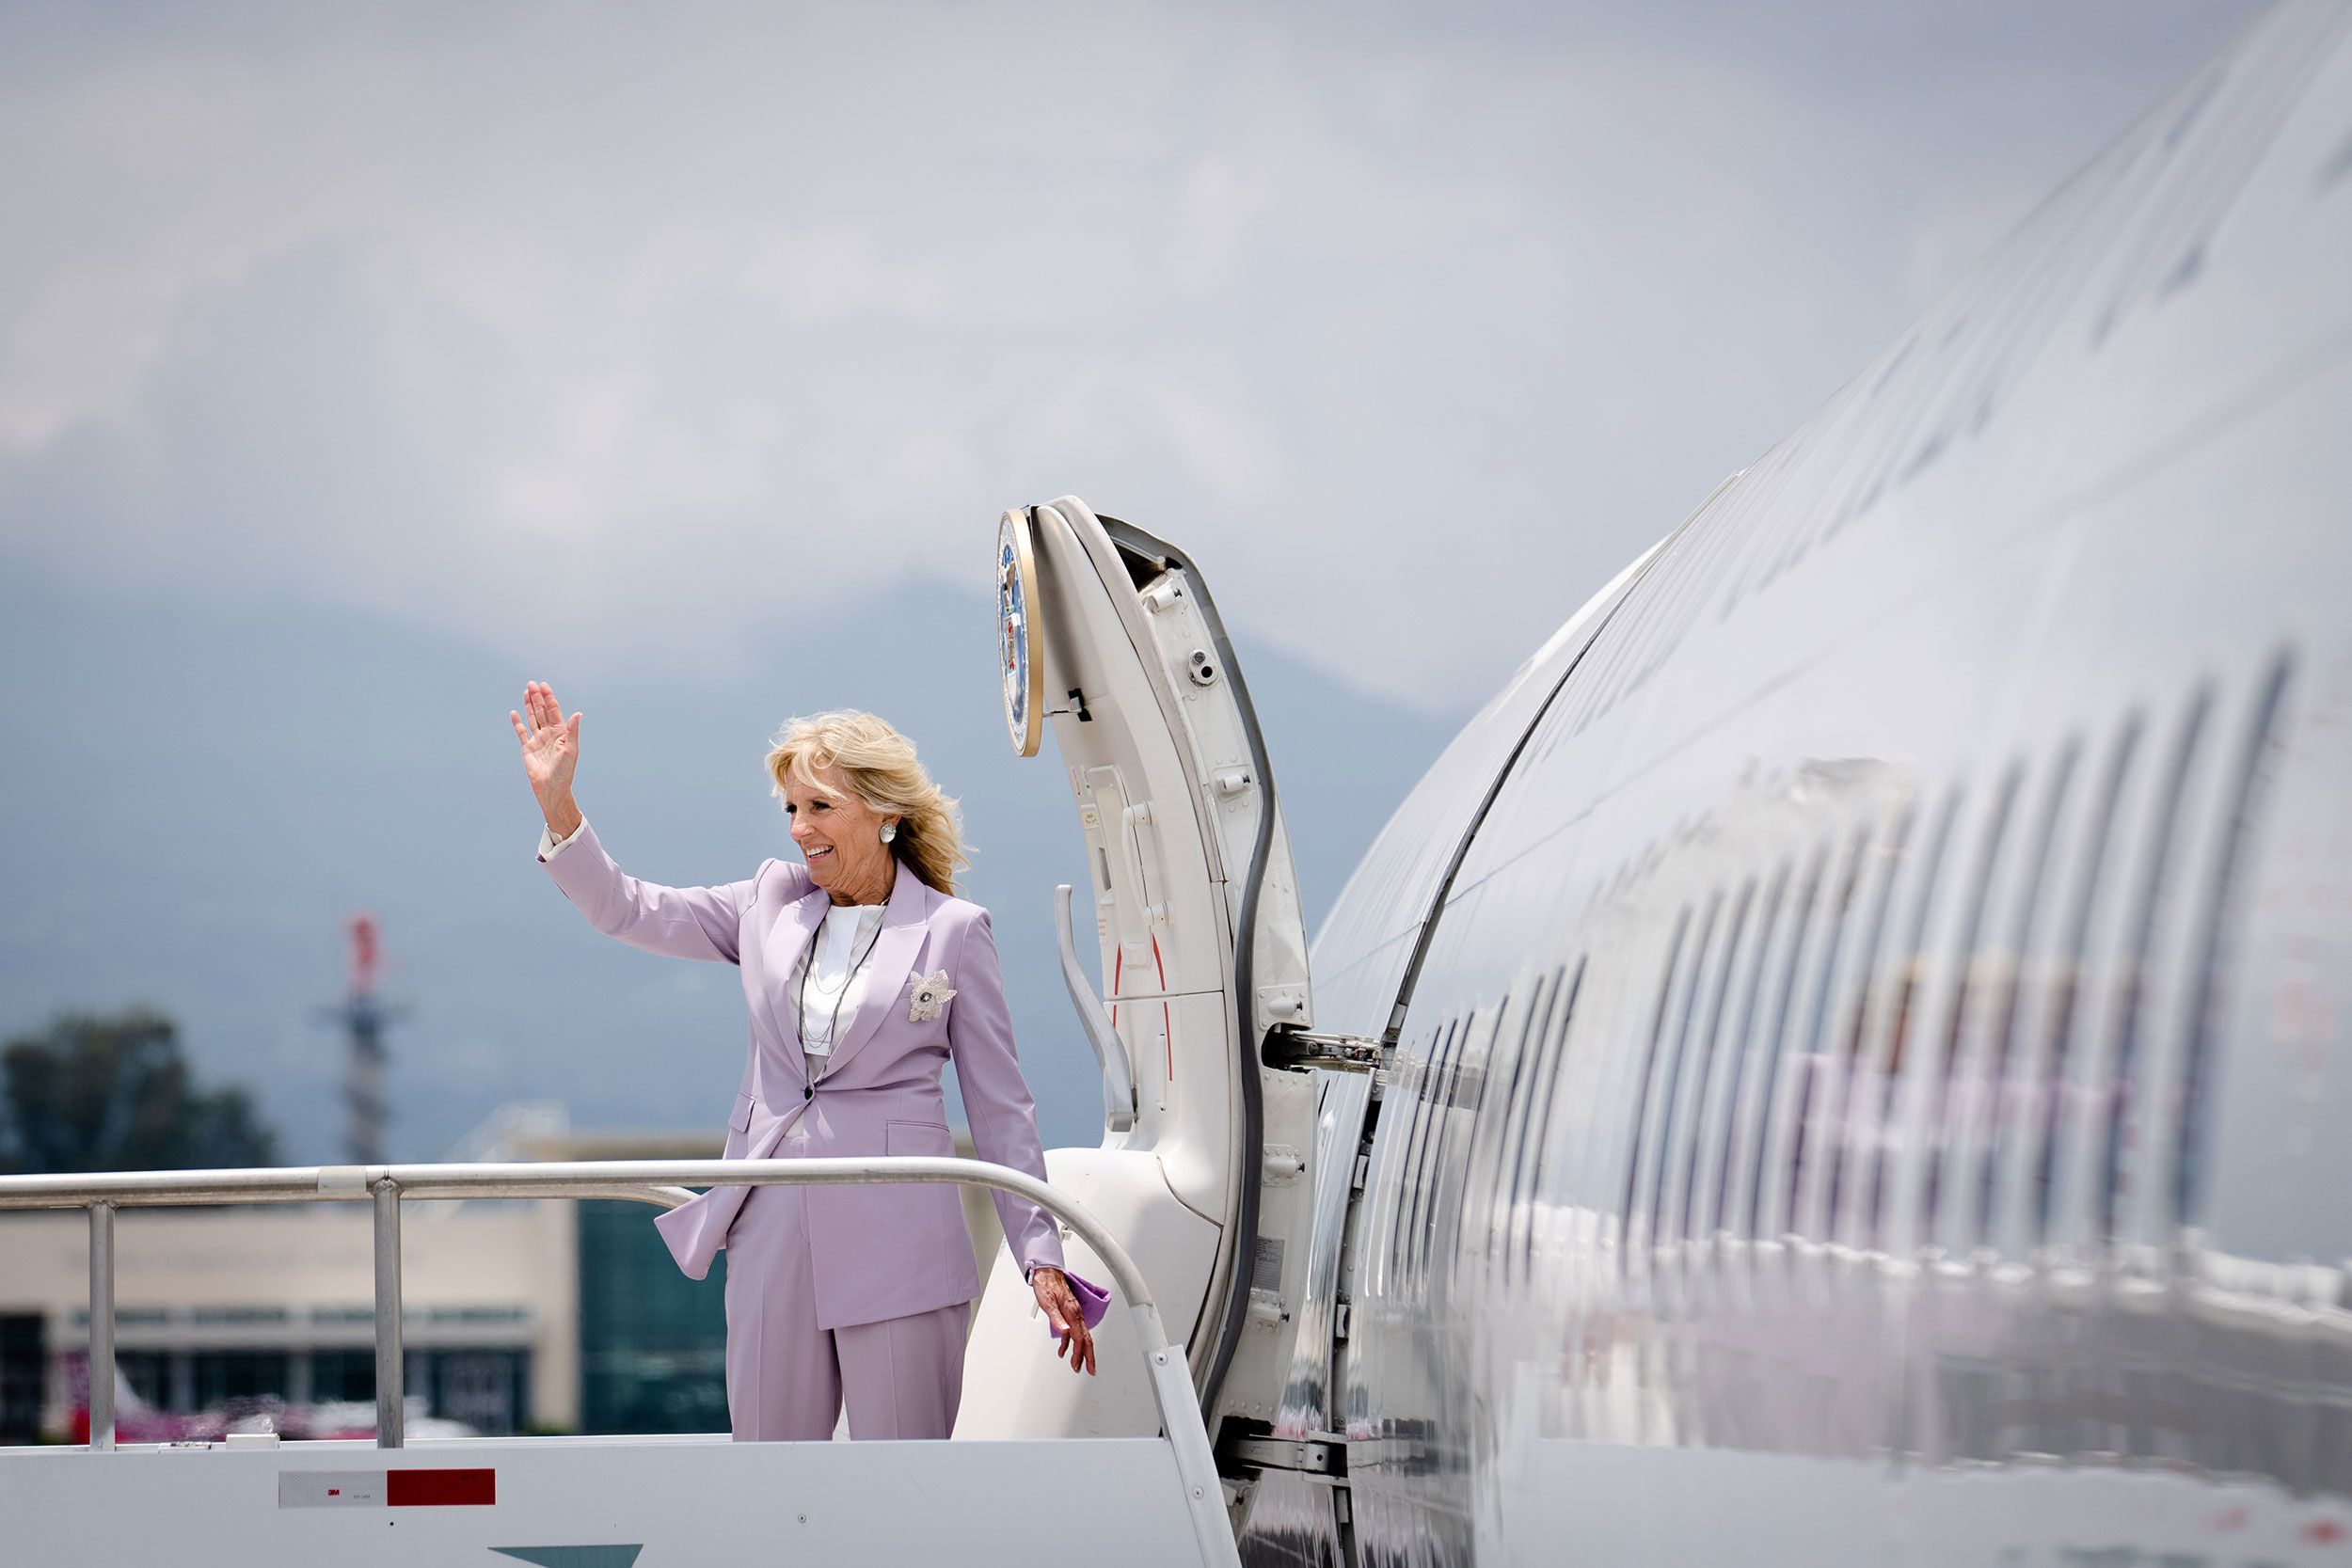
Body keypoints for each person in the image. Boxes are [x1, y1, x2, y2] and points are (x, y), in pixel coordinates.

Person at [508, 683, 1098, 1441]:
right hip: (771, 1228)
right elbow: (627, 907)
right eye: (790, 808)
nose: (799, 828)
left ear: (885, 812)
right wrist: (560, 805)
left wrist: (1041, 1255)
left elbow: (1001, 1107)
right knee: (771, 1479)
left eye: (819, 806)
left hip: (901, 1238)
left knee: (906, 1487)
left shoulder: (953, 932)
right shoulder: (768, 901)